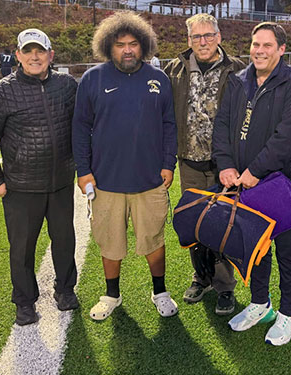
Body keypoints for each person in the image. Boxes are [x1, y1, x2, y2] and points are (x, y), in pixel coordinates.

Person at [72, 12, 178, 321]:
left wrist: (168, 163)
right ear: (108, 46)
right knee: (110, 242)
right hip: (106, 181)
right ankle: (111, 295)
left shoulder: (159, 79)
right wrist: (84, 170)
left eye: (133, 44)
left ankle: (160, 291)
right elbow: (80, 128)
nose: (127, 50)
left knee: (154, 240)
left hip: (150, 180)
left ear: (144, 46)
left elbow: (169, 125)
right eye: (120, 45)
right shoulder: (93, 79)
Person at [211, 22, 291, 345]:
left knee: (289, 254)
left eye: (267, 45)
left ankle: (289, 315)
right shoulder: (238, 81)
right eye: (256, 44)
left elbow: (289, 137)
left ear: (281, 50)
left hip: (281, 186)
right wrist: (225, 165)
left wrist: (254, 170)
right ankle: (259, 303)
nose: (260, 51)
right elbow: (223, 125)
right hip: (244, 184)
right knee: (256, 250)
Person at [0, 29, 79, 326]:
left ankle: (65, 290)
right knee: (22, 248)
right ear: (18, 55)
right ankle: (24, 301)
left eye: (40, 51)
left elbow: (84, 125)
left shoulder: (67, 86)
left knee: (64, 241)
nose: (35, 56)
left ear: (51, 54)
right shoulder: (1, 91)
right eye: (28, 51)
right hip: (21, 188)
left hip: (60, 182)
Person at [165, 13, 245, 316]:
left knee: (223, 225)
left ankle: (225, 286)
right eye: (197, 37)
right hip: (189, 162)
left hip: (225, 165)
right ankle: (202, 277)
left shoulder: (237, 69)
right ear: (188, 40)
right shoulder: (175, 70)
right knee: (195, 223)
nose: (203, 41)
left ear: (219, 36)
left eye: (208, 35)